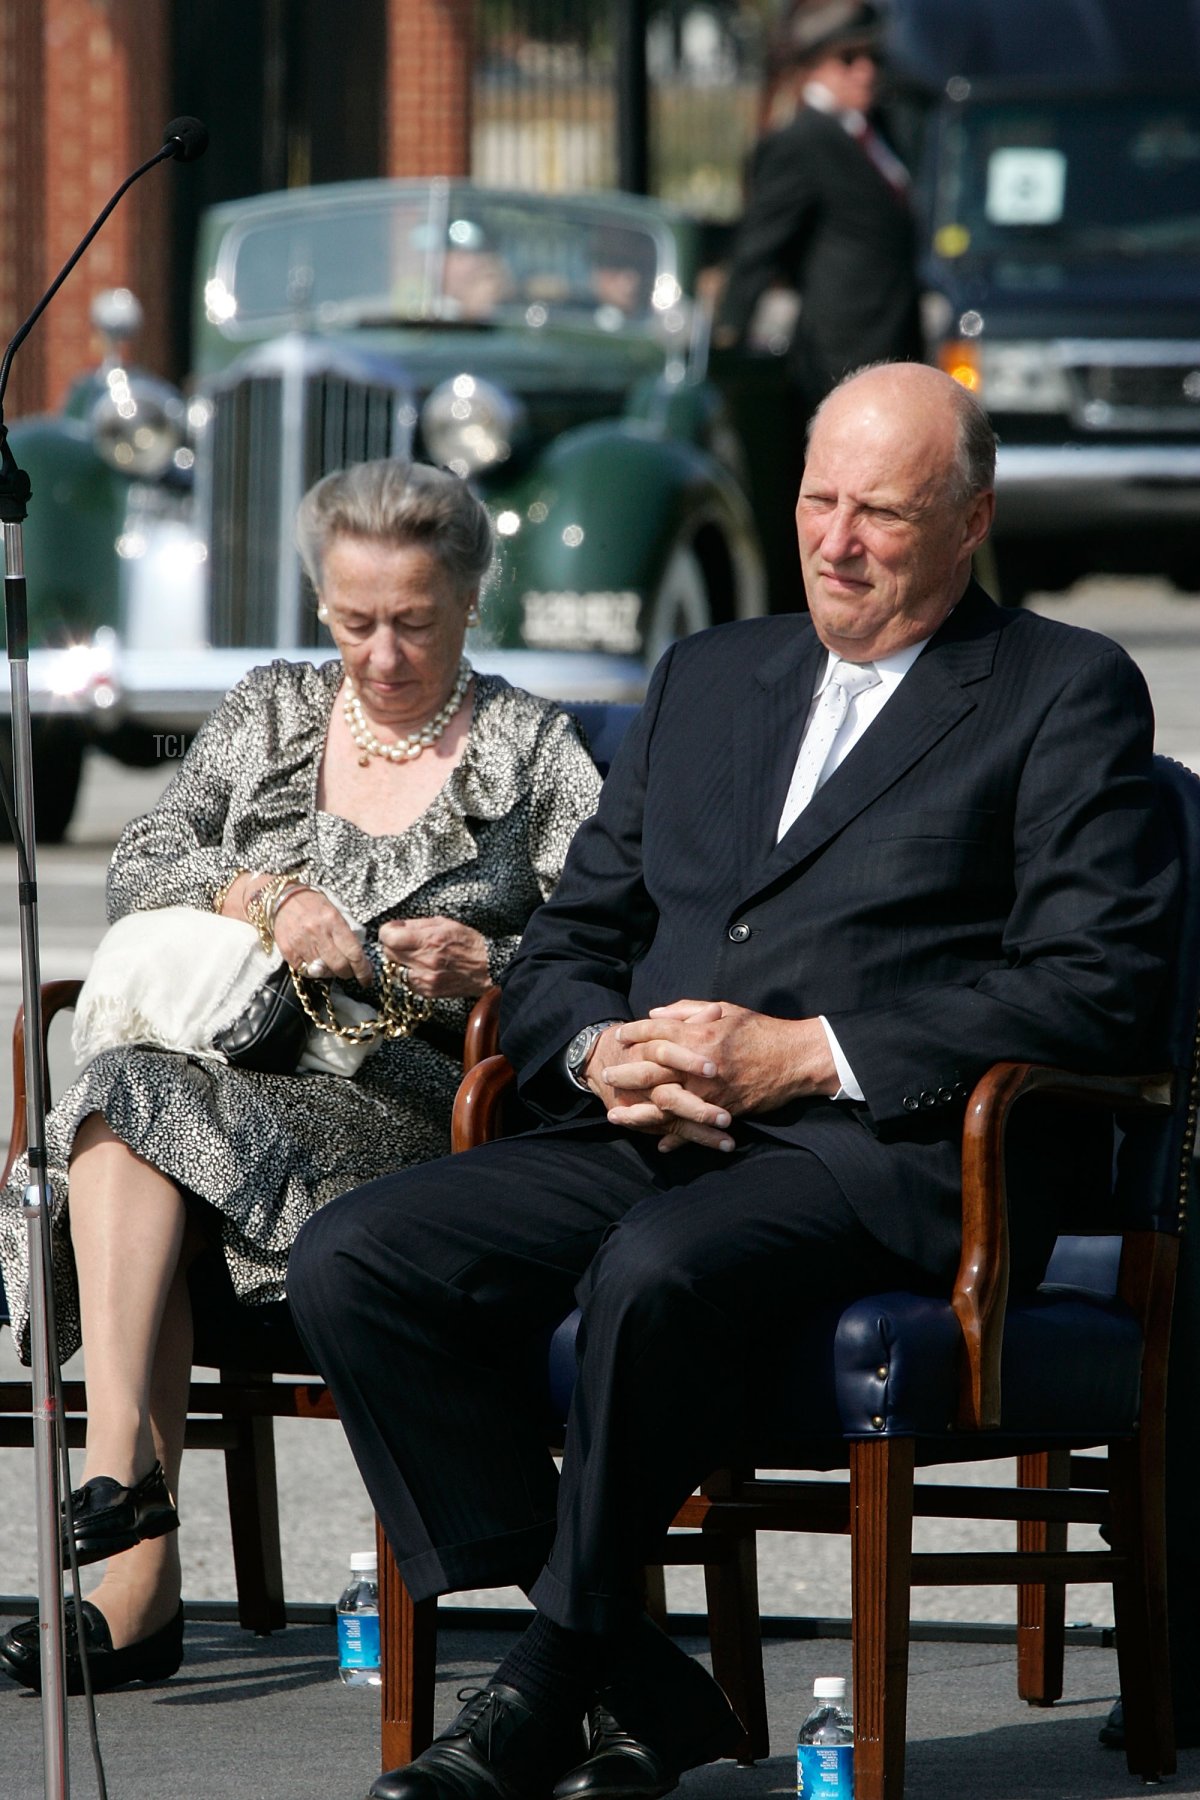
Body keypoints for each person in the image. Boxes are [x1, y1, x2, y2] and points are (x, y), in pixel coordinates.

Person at [287, 363, 1179, 1800]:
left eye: (881, 512)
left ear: (971, 522)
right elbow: (573, 944)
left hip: (884, 1157)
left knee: (654, 1269)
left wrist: (806, 1053)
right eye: (819, 500)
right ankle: (635, 1677)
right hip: (648, 1126)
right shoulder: (708, 679)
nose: (836, 539)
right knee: (356, 1259)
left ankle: (540, 1688)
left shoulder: (1060, 690)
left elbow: (1098, 984)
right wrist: (596, 1048)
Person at [0, 459, 602, 1696]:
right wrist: (269, 895)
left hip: (421, 1106)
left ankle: (126, 1539)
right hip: (232, 1077)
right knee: (133, 1095)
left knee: (126, 1097)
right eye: (353, 620)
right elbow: (141, 864)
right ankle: (131, 1521)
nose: (381, 655)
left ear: (471, 602)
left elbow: (627, 937)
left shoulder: (536, 751)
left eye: (414, 624)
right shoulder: (270, 709)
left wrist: (493, 962)